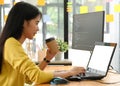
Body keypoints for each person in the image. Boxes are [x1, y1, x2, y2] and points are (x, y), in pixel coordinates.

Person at [0, 1, 85, 86]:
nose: (38, 29)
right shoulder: (11, 44)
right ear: (24, 22)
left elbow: (29, 79)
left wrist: (48, 58)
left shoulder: (11, 43)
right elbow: (37, 76)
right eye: (36, 23)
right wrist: (69, 72)